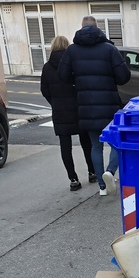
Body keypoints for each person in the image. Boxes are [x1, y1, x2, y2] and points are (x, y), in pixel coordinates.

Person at [57, 15, 130, 196]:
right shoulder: (109, 49)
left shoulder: (72, 51)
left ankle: (102, 187)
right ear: (97, 28)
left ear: (81, 27)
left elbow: (62, 75)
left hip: (86, 106)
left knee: (95, 146)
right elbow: (124, 76)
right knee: (116, 143)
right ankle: (110, 171)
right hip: (109, 105)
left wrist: (78, 80)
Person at [40, 35, 95, 191]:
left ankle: (73, 179)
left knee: (65, 147)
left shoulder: (47, 67)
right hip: (78, 108)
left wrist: (54, 102)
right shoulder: (73, 64)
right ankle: (92, 172)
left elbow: (44, 90)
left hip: (60, 111)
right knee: (86, 142)